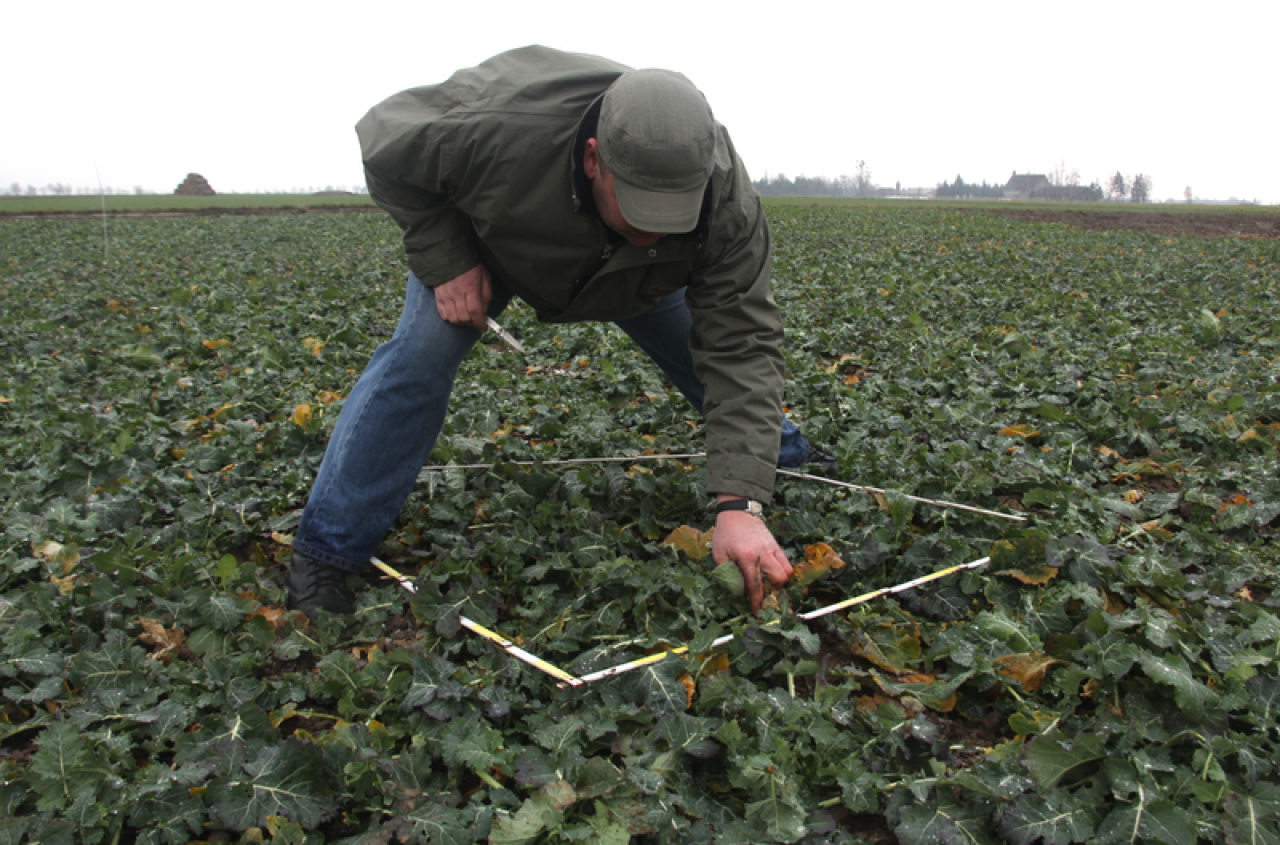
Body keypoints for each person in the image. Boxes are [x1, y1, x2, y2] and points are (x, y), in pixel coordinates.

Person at [285, 46, 834, 618]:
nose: (654, 230)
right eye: (640, 208)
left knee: (709, 356)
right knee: (420, 354)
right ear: (594, 159)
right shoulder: (491, 126)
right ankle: (328, 549)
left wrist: (739, 504)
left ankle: (783, 454)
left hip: (639, 278)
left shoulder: (725, 201)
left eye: (674, 214)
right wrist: (445, 257)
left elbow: (741, 344)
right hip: (492, 245)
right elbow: (384, 145)